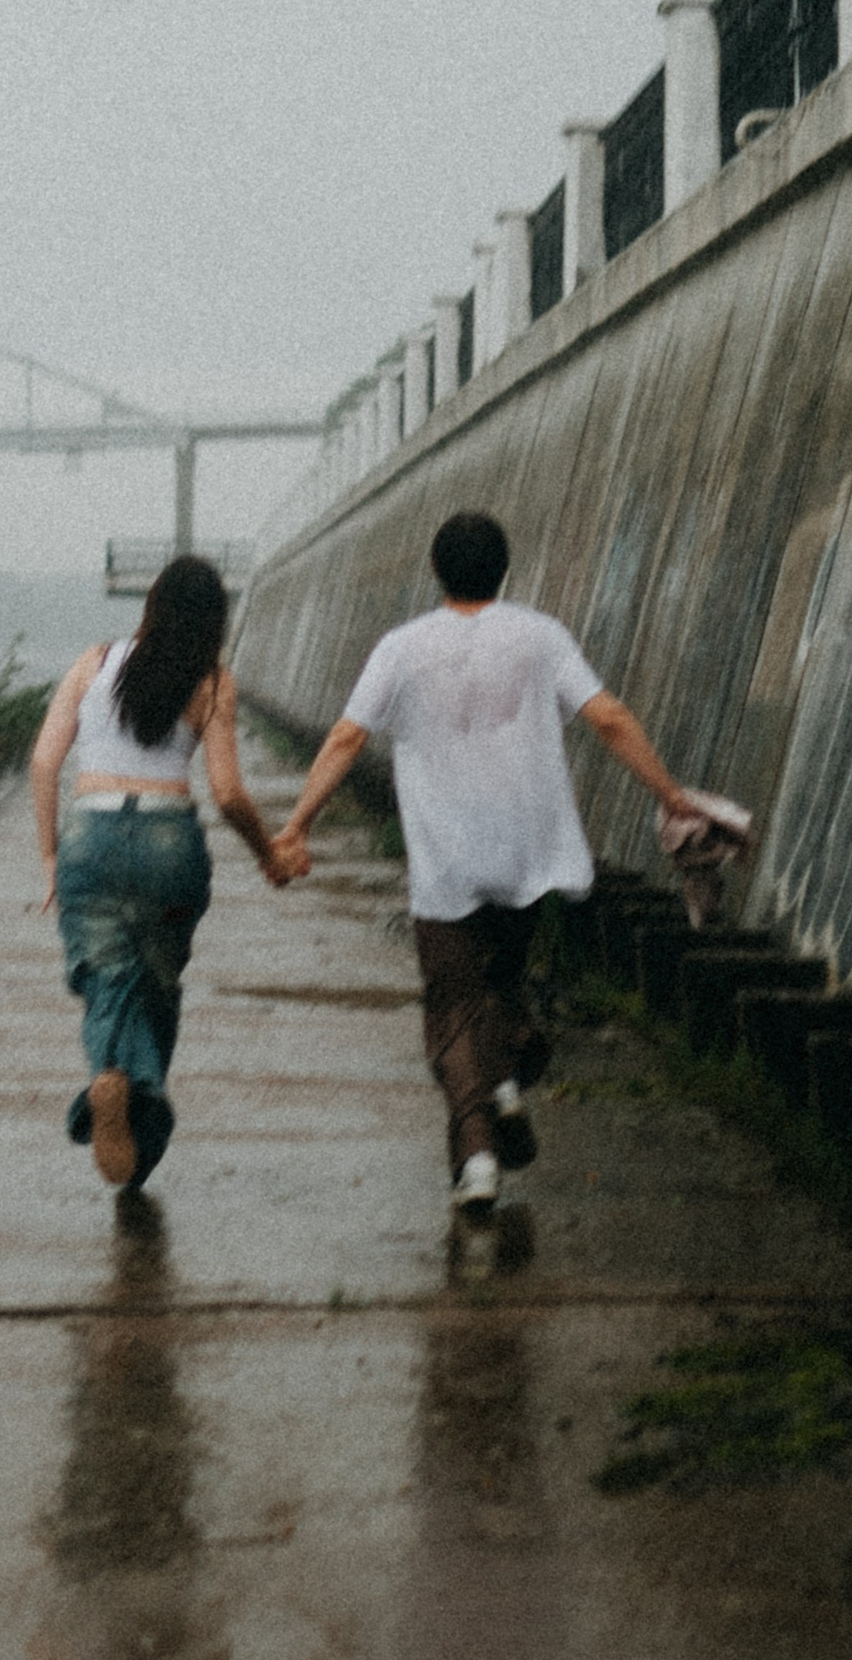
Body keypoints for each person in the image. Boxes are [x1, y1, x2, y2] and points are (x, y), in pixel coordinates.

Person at [269, 508, 701, 1218]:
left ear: (436, 571)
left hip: (448, 857)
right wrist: (672, 795)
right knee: (501, 979)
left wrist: (296, 824)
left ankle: (477, 1160)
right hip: (527, 850)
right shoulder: (540, 635)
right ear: (503, 571)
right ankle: (503, 1083)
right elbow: (610, 718)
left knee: (454, 1003)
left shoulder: (403, 647)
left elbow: (347, 737)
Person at [31, 555, 289, 1192]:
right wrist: (267, 853)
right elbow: (228, 795)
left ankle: (111, 1076)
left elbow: (43, 764)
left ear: (150, 605)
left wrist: (49, 857)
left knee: (104, 980)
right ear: (214, 619)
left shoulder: (92, 663)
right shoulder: (212, 681)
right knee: (157, 985)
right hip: (170, 842)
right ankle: (140, 1109)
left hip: (89, 833)